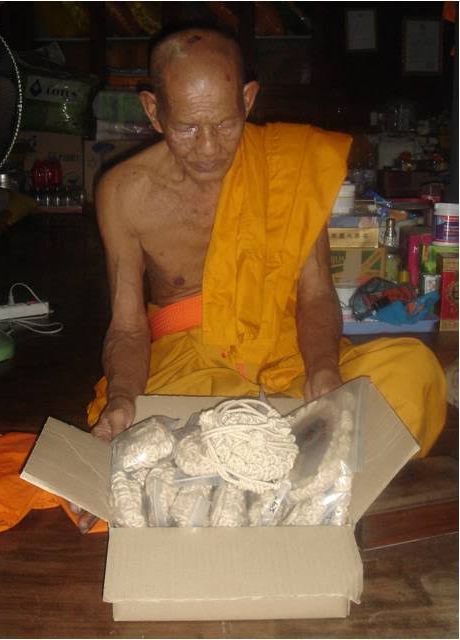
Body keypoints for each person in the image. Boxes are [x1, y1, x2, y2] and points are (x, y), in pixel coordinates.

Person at [78, 27, 446, 531]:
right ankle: (296, 475)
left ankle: (249, 481)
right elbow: (126, 326)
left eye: (225, 124)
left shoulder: (288, 166)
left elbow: (315, 292)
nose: (209, 147)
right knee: (147, 428)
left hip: (286, 349)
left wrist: (323, 370)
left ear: (248, 100)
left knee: (412, 373)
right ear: (153, 111)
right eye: (187, 128)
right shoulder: (124, 192)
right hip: (191, 363)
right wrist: (123, 396)